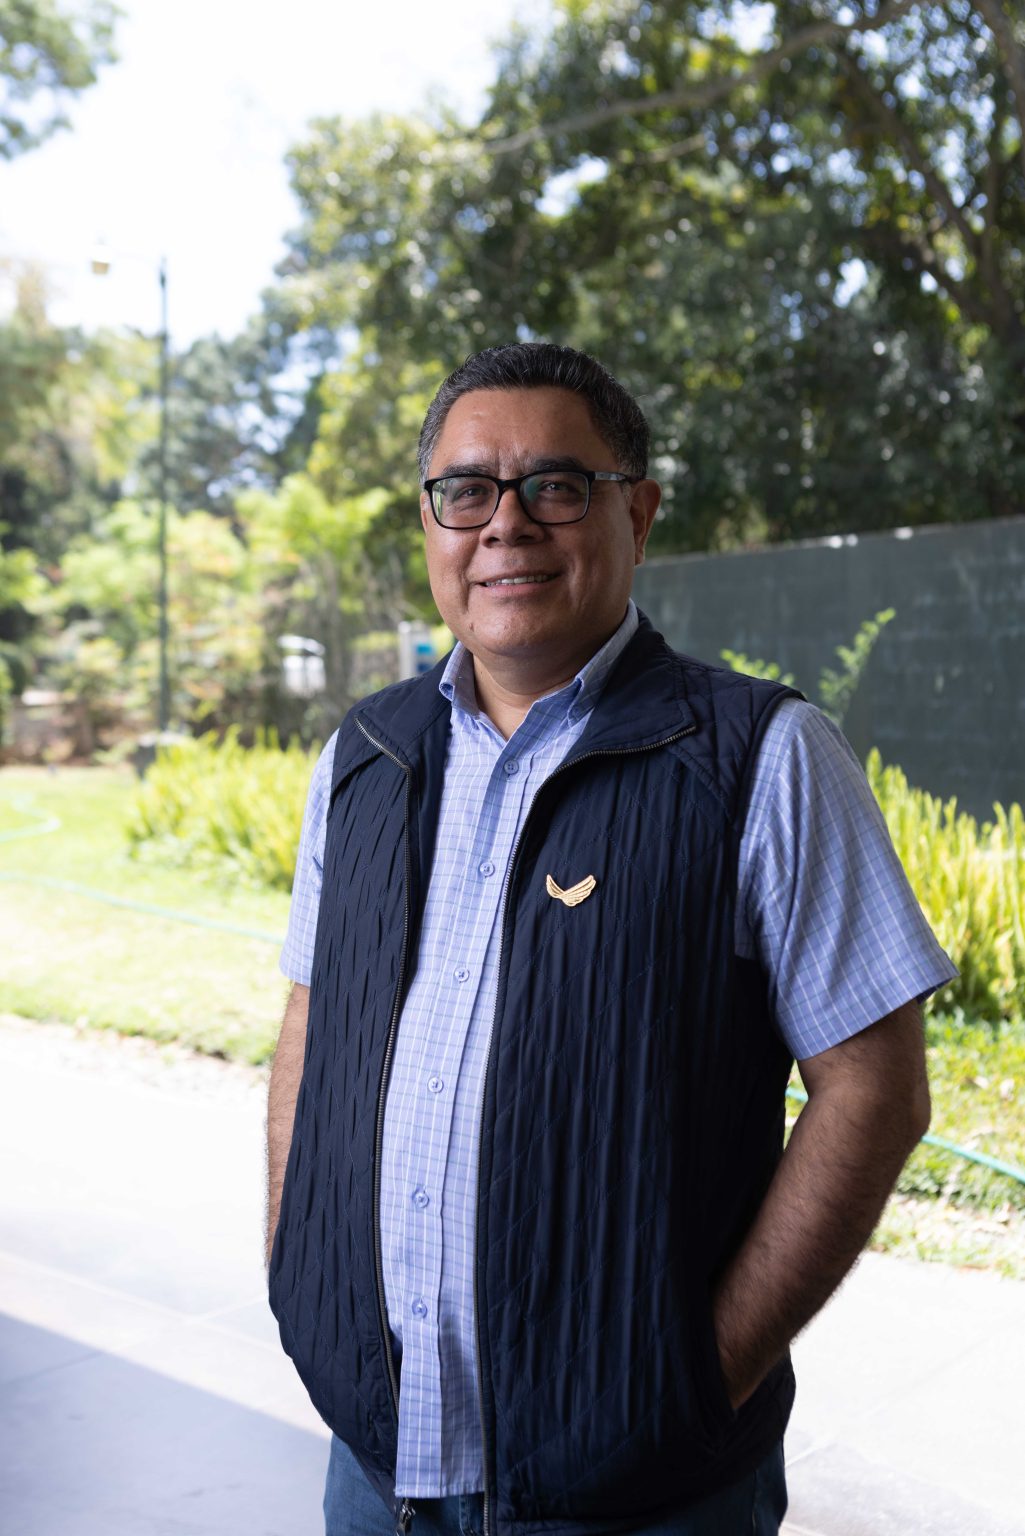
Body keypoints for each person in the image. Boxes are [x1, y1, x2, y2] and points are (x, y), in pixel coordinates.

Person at [266, 342, 955, 1536]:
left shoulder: (759, 758)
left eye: (555, 485)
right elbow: (309, 1021)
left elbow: (874, 1091)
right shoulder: (363, 758)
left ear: (635, 514)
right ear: (429, 523)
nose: (505, 523)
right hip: (372, 1465)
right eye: (465, 489)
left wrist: (693, 1383)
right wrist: (298, 1272)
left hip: (640, 1494)